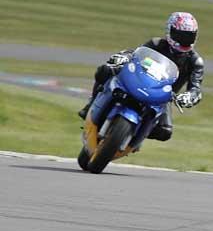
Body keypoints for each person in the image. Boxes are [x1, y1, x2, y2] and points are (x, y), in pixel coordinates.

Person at [78, 12, 205, 142]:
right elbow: (136, 53)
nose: (184, 40)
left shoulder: (195, 61)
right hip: (139, 80)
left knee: (164, 132)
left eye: (189, 36)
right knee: (105, 71)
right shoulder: (156, 44)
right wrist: (124, 57)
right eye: (180, 35)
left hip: (162, 95)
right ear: (170, 31)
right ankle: (91, 104)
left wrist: (189, 97)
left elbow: (196, 88)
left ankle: (134, 137)